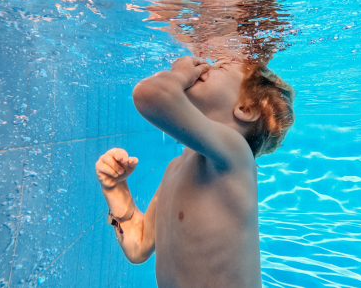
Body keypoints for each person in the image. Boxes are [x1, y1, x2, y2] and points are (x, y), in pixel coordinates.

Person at [95, 56, 295, 287]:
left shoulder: (236, 155)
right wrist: (115, 188)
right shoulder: (175, 168)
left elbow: (150, 94)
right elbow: (138, 246)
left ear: (245, 108)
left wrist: (180, 75)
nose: (206, 66)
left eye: (220, 66)